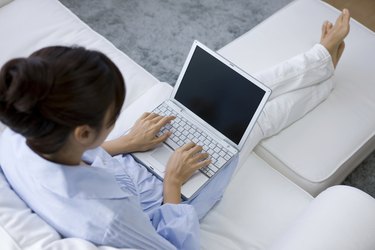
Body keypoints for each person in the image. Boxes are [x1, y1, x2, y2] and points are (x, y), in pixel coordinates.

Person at [0, 9, 350, 250]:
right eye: (111, 114)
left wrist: (124, 141)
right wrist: (173, 182)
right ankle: (323, 69)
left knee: (217, 102)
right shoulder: (111, 220)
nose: (115, 115)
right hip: (173, 197)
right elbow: (170, 246)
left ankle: (319, 63)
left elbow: (65, 164)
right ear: (83, 133)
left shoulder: (17, 136)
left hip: (130, 161)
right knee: (250, 122)